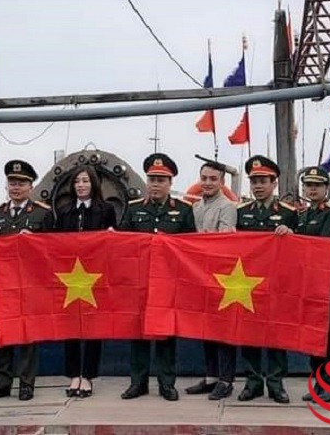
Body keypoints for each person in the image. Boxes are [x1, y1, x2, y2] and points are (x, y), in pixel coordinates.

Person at [119, 153, 196, 402]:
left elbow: (190, 247)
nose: (155, 184)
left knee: (166, 335)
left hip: (168, 283)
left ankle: (166, 384)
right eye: (152, 179)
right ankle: (137, 383)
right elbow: (122, 245)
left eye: (161, 180)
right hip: (140, 282)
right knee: (138, 334)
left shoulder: (183, 210)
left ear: (170, 183)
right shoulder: (133, 209)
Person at [0, 160, 54, 402]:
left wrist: (34, 240)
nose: (16, 187)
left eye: (21, 183)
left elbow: (53, 249)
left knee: (27, 335)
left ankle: (26, 383)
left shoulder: (43, 214)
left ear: (30, 186)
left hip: (30, 284)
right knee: (2, 334)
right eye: (12, 183)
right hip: (3, 285)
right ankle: (1, 383)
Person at [235, 155, 298, 404]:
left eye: (263, 181)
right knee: (249, 333)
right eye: (254, 181)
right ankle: (252, 383)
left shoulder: (289, 214)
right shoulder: (241, 212)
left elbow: (302, 248)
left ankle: (275, 383)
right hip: (247, 283)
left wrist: (291, 234)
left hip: (276, 283)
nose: (258, 186)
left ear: (274, 183)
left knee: (275, 333)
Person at [53, 165, 117, 399]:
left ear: (93, 184)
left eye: (85, 181)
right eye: (77, 181)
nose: (81, 185)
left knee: (93, 327)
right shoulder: (64, 211)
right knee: (70, 326)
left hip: (95, 277)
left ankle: (88, 376)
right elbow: (54, 243)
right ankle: (73, 375)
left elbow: (115, 242)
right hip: (70, 277)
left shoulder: (106, 210)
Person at [185, 160, 238, 401]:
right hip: (200, 274)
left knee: (223, 330)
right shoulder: (196, 207)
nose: (207, 183)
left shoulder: (227, 207)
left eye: (213, 179)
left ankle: (226, 380)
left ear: (222, 182)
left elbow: (224, 241)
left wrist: (202, 241)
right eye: (204, 178)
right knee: (205, 327)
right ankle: (211, 376)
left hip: (221, 276)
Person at [295, 166, 330, 404]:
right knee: (312, 331)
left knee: (329, 332)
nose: (312, 189)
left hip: (328, 282)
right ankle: (320, 380)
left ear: (327, 188)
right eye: (308, 185)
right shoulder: (303, 214)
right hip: (308, 282)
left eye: (317, 185)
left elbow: (322, 245)